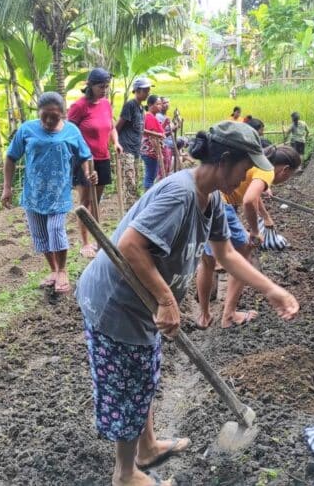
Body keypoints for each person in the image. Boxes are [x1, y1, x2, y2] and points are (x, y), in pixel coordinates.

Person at [76, 121, 299, 486]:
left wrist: (272, 290)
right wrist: (166, 299)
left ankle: (146, 449)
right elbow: (130, 246)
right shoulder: (180, 195)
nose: (248, 176)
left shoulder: (209, 197)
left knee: (145, 376)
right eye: (246, 167)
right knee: (129, 386)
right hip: (117, 303)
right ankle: (125, 473)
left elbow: (225, 253)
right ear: (226, 160)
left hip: (140, 304)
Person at [196, 144, 302, 328]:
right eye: (290, 175)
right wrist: (254, 231)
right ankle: (228, 316)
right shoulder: (267, 171)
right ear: (285, 170)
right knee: (244, 254)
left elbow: (252, 194)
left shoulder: (257, 166)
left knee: (207, 261)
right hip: (223, 206)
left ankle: (204, 315)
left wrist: (266, 217)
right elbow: (249, 199)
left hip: (208, 199)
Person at [2, 92, 96, 295]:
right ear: (39, 113)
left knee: (55, 230)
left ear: (63, 114)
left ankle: (62, 270)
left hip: (59, 193)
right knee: (40, 234)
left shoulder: (71, 131)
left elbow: (85, 155)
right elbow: (11, 157)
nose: (49, 120)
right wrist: (7, 187)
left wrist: (88, 173)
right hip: (33, 193)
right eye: (45, 115)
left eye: (54, 116)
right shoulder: (27, 129)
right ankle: (53, 270)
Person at [68, 68, 123, 258]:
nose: (105, 90)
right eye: (101, 86)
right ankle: (85, 242)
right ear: (90, 85)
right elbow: (69, 132)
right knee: (85, 201)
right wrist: (79, 153)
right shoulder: (79, 106)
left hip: (103, 158)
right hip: (84, 161)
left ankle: (99, 239)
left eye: (107, 86)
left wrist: (115, 142)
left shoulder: (106, 104)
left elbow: (111, 127)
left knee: (96, 202)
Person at [117, 78, 152, 206]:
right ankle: (129, 211)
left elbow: (141, 130)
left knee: (136, 180)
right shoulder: (130, 105)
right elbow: (118, 127)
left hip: (137, 149)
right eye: (146, 90)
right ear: (137, 91)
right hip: (126, 149)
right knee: (129, 182)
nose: (148, 93)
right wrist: (117, 143)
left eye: (149, 90)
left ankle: (134, 208)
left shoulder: (141, 108)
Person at [140, 95, 165, 191]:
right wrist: (158, 153)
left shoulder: (152, 117)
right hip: (151, 152)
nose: (160, 106)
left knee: (151, 175)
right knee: (150, 176)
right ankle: (148, 197)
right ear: (150, 105)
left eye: (160, 104)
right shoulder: (150, 117)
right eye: (158, 104)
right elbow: (152, 137)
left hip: (150, 152)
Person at [156, 97, 174, 177]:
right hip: (163, 145)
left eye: (167, 102)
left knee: (167, 169)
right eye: (164, 103)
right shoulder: (158, 116)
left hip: (168, 145)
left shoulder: (165, 116)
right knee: (163, 170)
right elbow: (160, 133)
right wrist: (173, 128)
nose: (166, 104)